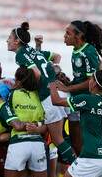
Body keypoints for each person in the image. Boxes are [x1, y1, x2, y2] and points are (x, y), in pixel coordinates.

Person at [6, 21, 76, 166]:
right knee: (64, 136)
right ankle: (79, 172)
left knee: (57, 140)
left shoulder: (20, 55)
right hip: (59, 92)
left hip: (49, 96)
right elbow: (56, 57)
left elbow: (36, 73)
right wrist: (54, 73)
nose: (7, 41)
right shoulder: (33, 51)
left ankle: (80, 172)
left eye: (9, 38)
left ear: (17, 41)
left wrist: (31, 89)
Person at [4, 66, 55, 177]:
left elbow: (12, 120)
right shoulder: (39, 96)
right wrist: (36, 128)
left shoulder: (12, 94)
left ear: (18, 80)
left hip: (18, 143)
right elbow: (46, 126)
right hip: (38, 144)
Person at [57, 20, 102, 157]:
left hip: (86, 102)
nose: (64, 36)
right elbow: (81, 78)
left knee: (80, 142)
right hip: (76, 99)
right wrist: (68, 82)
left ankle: (86, 170)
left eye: (68, 33)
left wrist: (69, 89)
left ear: (78, 36)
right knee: (75, 140)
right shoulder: (75, 52)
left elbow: (92, 81)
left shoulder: (88, 51)